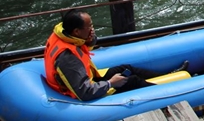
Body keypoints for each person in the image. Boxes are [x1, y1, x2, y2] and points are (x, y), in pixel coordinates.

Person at [44, 9, 186, 101]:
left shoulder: (64, 34)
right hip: (84, 91)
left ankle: (169, 74)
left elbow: (85, 46)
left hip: (90, 78)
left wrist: (90, 38)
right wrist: (110, 83)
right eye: (90, 27)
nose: (93, 29)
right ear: (76, 31)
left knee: (127, 67)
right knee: (133, 81)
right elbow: (84, 92)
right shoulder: (68, 58)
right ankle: (170, 95)